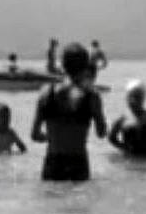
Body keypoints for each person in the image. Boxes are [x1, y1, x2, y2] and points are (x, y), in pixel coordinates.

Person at [30, 42, 107, 181]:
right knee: (79, 200)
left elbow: (34, 135)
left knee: (51, 200)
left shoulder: (46, 93)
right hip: (78, 162)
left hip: (53, 162)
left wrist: (52, 137)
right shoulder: (92, 96)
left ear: (63, 65)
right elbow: (101, 133)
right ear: (85, 66)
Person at [108, 79, 146, 157]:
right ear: (127, 98)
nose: (134, 100)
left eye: (137, 97)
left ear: (142, 98)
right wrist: (124, 147)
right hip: (129, 158)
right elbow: (112, 138)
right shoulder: (122, 120)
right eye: (131, 97)